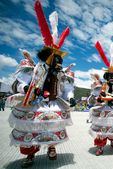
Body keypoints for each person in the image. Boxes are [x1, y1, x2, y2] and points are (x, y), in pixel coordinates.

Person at [7, 1, 73, 167]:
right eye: (56, 59)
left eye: (60, 59)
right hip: (35, 102)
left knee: (52, 126)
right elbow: (17, 83)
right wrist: (26, 88)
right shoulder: (34, 69)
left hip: (53, 102)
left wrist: (70, 97)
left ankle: (51, 147)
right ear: (49, 57)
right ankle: (30, 154)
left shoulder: (60, 73)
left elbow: (66, 89)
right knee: (32, 127)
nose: (59, 62)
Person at [89, 41, 113, 155]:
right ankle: (100, 147)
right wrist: (99, 99)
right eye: (109, 76)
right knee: (101, 129)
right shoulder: (101, 86)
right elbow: (92, 99)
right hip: (102, 109)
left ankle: (112, 140)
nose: (111, 78)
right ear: (106, 77)